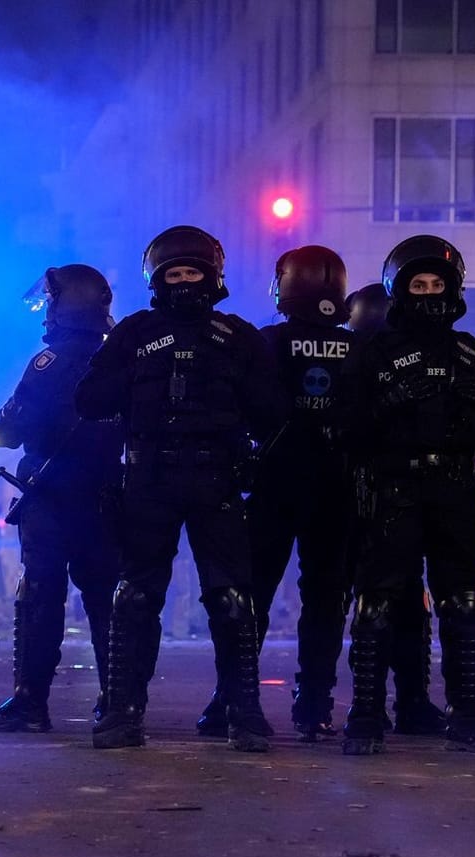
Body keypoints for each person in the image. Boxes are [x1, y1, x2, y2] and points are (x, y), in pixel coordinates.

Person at [76, 224, 281, 752]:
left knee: (233, 598)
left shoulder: (238, 336)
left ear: (213, 278)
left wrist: (244, 436)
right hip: (149, 478)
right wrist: (143, 371)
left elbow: (275, 412)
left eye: (194, 273)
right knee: (137, 596)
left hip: (217, 478)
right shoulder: (134, 333)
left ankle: (243, 710)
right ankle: (122, 708)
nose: (185, 282)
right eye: (175, 274)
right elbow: (90, 399)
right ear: (157, 281)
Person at [340, 235, 475, 755]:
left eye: (438, 284)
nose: (429, 293)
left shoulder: (469, 352)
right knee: (377, 603)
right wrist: (390, 406)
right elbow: (345, 429)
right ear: (400, 289)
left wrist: (473, 416)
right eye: (418, 284)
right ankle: (366, 714)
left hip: (454, 489)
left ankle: (467, 714)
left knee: (462, 602)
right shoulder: (374, 352)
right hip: (393, 490)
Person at [199, 244, 354, 741]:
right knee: (327, 603)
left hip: (274, 486)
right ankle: (314, 707)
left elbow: (238, 406)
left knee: (251, 600)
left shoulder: (265, 341)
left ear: (285, 286)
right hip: (337, 490)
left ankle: (232, 699)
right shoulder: (358, 349)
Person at [0, 264, 122, 732]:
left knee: (40, 595)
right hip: (105, 497)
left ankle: (30, 703)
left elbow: (7, 432)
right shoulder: (120, 361)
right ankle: (117, 703)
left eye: (52, 302)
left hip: (50, 495)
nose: (47, 313)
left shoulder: (49, 364)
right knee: (107, 601)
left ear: (68, 305)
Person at [345, 286, 447, 736]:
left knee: (405, 606)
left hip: (391, 497)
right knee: (379, 606)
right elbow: (350, 429)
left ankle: (408, 701)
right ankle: (377, 705)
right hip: (368, 498)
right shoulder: (364, 365)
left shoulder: (379, 359)